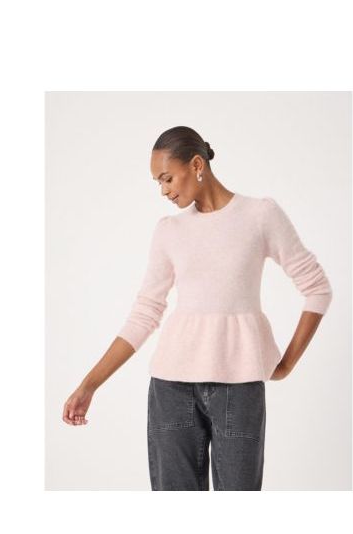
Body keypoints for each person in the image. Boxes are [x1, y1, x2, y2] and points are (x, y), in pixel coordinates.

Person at [62, 125, 333, 491]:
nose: (163, 190)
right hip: (171, 389)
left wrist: (287, 363)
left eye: (167, 178)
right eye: (158, 182)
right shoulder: (169, 230)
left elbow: (317, 289)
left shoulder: (260, 215)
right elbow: (145, 313)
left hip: (239, 388)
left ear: (196, 164)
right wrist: (89, 385)